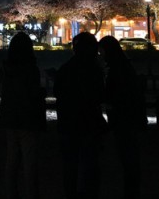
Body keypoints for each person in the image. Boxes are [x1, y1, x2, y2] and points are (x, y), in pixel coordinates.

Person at [54, 31, 106, 199]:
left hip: (68, 123)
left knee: (70, 164)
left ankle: (71, 192)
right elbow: (98, 95)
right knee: (90, 163)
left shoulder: (66, 68)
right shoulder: (94, 69)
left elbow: (59, 93)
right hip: (89, 122)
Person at [0, 32, 45, 199]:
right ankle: (32, 194)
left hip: (10, 117)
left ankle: (12, 194)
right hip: (28, 118)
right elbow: (32, 94)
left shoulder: (5, 68)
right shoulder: (31, 69)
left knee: (12, 160)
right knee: (30, 162)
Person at [98, 35, 145, 197]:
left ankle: (131, 190)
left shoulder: (116, 69)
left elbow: (117, 93)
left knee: (128, 155)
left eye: (102, 51)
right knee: (129, 156)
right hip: (128, 117)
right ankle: (132, 189)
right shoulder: (123, 65)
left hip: (123, 118)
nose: (100, 54)